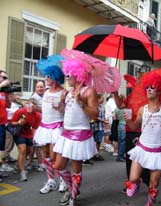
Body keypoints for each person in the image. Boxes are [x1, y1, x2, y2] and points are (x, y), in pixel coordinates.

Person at [124, 73, 161, 206]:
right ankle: (138, 182)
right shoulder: (142, 109)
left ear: (159, 90)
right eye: (147, 87)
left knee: (154, 183)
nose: (148, 89)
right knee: (133, 178)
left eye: (152, 87)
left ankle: (149, 202)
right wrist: (127, 119)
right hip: (142, 148)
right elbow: (135, 126)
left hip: (158, 151)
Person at [53, 55, 98, 206]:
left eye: (68, 75)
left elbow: (94, 115)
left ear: (77, 75)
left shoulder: (88, 91)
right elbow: (63, 111)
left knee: (76, 167)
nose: (66, 79)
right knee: (58, 166)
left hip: (80, 134)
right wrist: (60, 103)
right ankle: (73, 188)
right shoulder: (67, 92)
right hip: (66, 134)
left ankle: (73, 195)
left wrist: (80, 102)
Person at [34, 55, 68, 194]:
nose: (46, 79)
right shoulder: (47, 92)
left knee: (55, 156)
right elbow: (44, 109)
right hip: (45, 126)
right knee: (46, 155)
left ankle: (63, 180)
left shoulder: (64, 92)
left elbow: (66, 111)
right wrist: (34, 107)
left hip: (56, 127)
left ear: (55, 77)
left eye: (48, 76)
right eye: (46, 76)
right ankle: (50, 180)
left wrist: (60, 106)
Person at [10, 99, 41, 181]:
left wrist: (35, 138)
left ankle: (18, 166)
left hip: (29, 134)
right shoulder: (20, 112)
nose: (30, 106)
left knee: (29, 151)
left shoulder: (37, 115)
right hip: (19, 133)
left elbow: (35, 128)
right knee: (22, 150)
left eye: (32, 105)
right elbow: (12, 123)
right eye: (28, 104)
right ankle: (22, 173)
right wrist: (19, 123)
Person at [27, 81, 45, 172]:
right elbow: (29, 111)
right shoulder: (33, 98)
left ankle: (35, 162)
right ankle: (34, 163)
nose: (40, 88)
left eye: (41, 87)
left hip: (42, 124)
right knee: (35, 145)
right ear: (35, 88)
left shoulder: (45, 97)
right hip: (34, 125)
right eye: (38, 87)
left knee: (37, 145)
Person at [0, 70, 12, 182]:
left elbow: (8, 105)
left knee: (0, 149)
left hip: (2, 123)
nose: (5, 80)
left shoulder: (3, 93)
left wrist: (9, 95)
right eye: (3, 77)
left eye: (6, 78)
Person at [90, 94, 105, 161]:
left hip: (100, 126)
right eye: (102, 98)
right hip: (94, 126)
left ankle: (96, 154)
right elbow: (94, 116)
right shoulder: (94, 106)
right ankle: (93, 154)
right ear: (98, 99)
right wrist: (103, 121)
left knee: (98, 141)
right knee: (93, 141)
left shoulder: (102, 106)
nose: (103, 99)